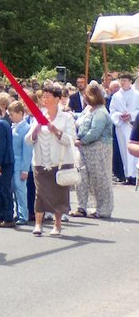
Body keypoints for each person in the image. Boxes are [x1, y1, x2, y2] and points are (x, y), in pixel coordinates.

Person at [25, 85, 77, 237]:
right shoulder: (39, 116)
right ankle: (38, 224)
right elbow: (28, 140)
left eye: (48, 97)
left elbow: (71, 140)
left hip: (59, 162)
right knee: (40, 193)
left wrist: (55, 131)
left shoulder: (66, 117)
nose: (45, 99)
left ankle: (57, 224)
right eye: (44, 97)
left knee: (58, 194)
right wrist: (35, 131)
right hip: (40, 161)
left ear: (57, 99)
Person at [72, 83, 114, 219]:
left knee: (99, 178)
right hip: (83, 149)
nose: (84, 97)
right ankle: (81, 207)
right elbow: (79, 118)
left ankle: (102, 209)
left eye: (87, 95)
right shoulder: (88, 109)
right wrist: (70, 115)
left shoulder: (101, 112)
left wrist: (81, 141)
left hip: (99, 149)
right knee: (82, 177)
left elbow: (95, 131)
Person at [109, 73, 138, 186]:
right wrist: (119, 116)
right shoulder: (116, 96)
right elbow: (112, 110)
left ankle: (135, 175)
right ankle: (127, 175)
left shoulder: (136, 94)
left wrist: (131, 115)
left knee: (133, 151)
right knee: (123, 150)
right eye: (121, 80)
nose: (122, 83)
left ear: (130, 81)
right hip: (121, 125)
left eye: (125, 80)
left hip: (133, 126)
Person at [7, 101, 33, 226]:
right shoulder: (14, 127)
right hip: (12, 164)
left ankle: (23, 215)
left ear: (20, 113)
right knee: (14, 190)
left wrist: (25, 169)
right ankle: (18, 213)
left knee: (21, 190)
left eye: (12, 114)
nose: (10, 117)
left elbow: (27, 151)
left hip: (20, 164)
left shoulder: (27, 128)